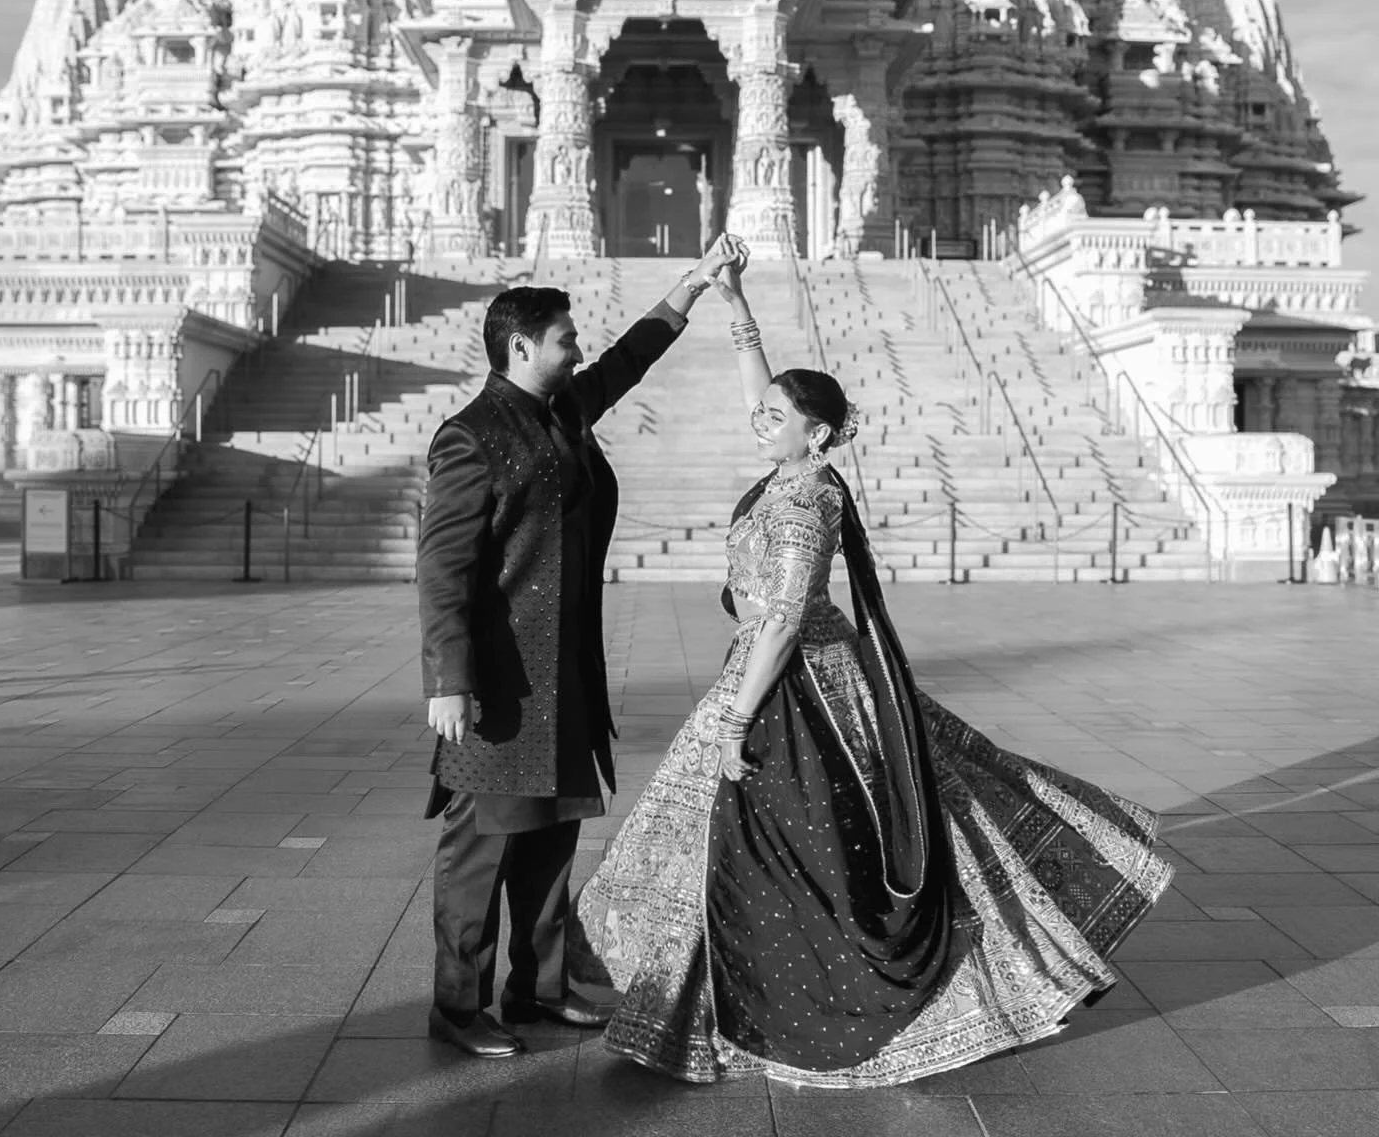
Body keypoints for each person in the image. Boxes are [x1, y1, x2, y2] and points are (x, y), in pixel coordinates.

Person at [570, 242, 1174, 1087]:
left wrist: (738, 716)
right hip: (773, 667)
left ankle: (758, 996)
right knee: (742, 828)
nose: (759, 420)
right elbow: (764, 390)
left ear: (813, 433)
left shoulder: (807, 498)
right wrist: (731, 297)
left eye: (775, 417)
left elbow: (783, 619)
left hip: (791, 680)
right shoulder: (792, 468)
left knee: (795, 830)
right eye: (764, 412)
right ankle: (684, 997)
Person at [418, 237, 738, 1059]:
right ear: (522, 345)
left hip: (563, 675)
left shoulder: (560, 409)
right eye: (565, 337)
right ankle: (459, 1007)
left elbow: (626, 362)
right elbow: (443, 567)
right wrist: (448, 680)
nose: (578, 348)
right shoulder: (470, 436)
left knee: (551, 845)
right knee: (479, 853)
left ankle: (538, 990)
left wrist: (690, 288)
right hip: (495, 684)